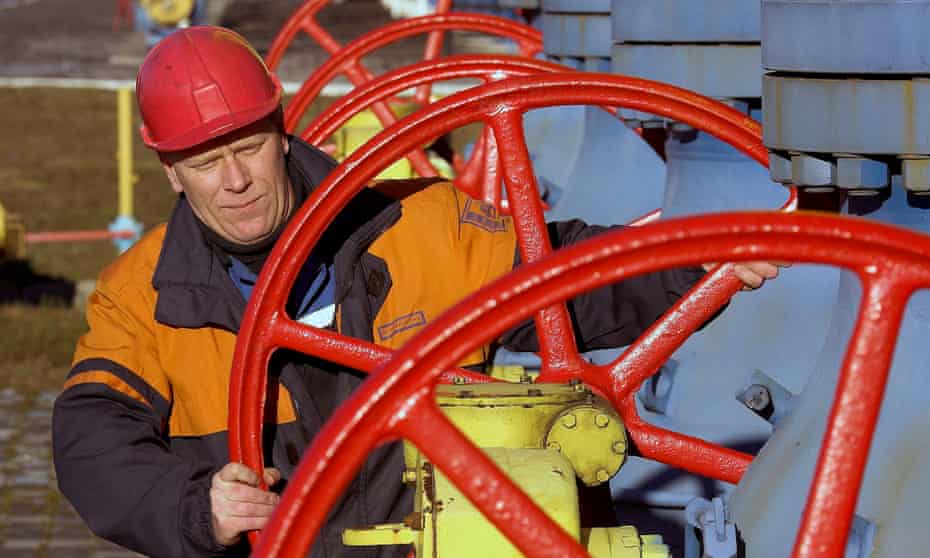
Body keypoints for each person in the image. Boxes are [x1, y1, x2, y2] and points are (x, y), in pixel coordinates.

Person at [52, 26, 782, 558]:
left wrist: (698, 264)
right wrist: (195, 508)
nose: (235, 181)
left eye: (246, 148)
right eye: (206, 162)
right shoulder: (141, 298)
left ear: (280, 132)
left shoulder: (421, 227)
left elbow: (565, 277)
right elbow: (90, 440)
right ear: (172, 173)